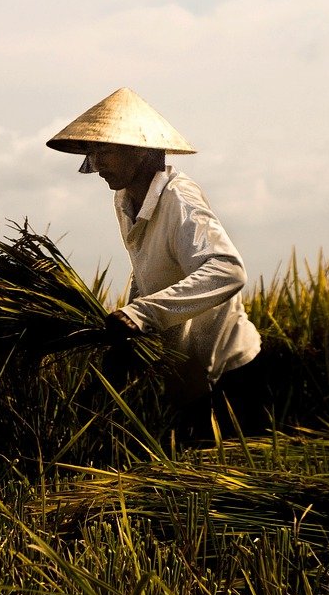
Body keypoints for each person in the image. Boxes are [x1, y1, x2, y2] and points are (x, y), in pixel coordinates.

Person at [46, 87, 270, 442]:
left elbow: (227, 269)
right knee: (194, 479)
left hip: (230, 372)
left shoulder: (179, 198)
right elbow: (147, 270)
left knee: (234, 484)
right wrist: (130, 321)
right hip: (188, 374)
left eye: (104, 150)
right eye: (93, 151)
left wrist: (143, 315)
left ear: (141, 150)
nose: (96, 163)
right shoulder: (124, 201)